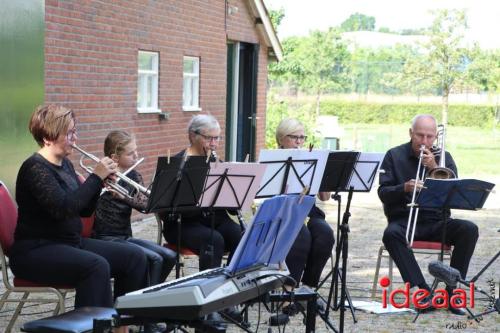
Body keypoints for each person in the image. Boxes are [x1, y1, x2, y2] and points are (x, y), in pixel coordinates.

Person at [8, 105, 148, 322]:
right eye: (70, 133)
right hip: (36, 250)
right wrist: (94, 178)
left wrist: (99, 183)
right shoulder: (34, 168)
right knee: (95, 266)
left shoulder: (65, 164)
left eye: (75, 131)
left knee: (135, 257)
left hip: (68, 243)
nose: (76, 138)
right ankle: (92, 326)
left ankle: (125, 323)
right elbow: (64, 208)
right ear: (48, 137)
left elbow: (83, 210)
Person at [378, 114, 478, 315]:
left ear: (436, 137)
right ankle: (422, 292)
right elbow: (383, 193)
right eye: (420, 135)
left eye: (429, 136)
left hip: (437, 221)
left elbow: (456, 188)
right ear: (410, 133)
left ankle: (452, 292)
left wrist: (434, 167)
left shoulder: (444, 157)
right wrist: (404, 188)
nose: (424, 141)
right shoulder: (393, 155)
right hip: (405, 221)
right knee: (390, 234)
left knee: (469, 229)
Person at [93, 130, 176, 287]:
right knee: (155, 259)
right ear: (115, 157)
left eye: (136, 151)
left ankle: (146, 296)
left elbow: (146, 206)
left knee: (170, 256)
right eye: (131, 153)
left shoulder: (134, 176)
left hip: (125, 236)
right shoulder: (101, 175)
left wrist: (125, 197)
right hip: (104, 238)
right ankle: (141, 302)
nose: (136, 156)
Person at [160, 114, 242, 271]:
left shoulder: (217, 164)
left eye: (217, 138)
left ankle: (232, 282)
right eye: (209, 138)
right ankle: (209, 290)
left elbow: (231, 209)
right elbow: (165, 209)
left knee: (242, 236)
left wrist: (235, 193)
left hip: (215, 220)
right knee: (213, 240)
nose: (214, 144)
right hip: (182, 224)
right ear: (192, 136)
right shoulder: (176, 164)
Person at [274, 118, 335, 315]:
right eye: (294, 137)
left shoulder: (311, 160)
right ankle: (287, 293)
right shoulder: (274, 159)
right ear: (282, 139)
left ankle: (308, 289)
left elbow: (325, 197)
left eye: (302, 137)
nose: (299, 142)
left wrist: (321, 172)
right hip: (284, 210)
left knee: (325, 234)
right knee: (301, 236)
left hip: (308, 210)